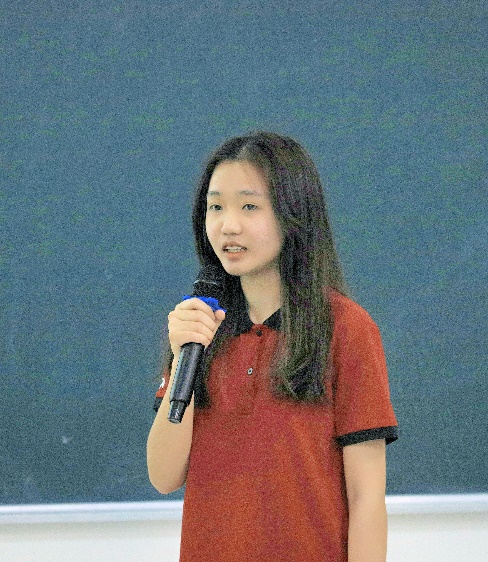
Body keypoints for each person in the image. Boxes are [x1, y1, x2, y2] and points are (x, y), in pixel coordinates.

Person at [147, 131, 398, 561]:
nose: (228, 225)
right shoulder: (199, 327)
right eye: (215, 207)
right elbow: (164, 476)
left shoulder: (346, 328)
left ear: (293, 214)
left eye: (249, 206)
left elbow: (366, 499)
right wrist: (182, 355)